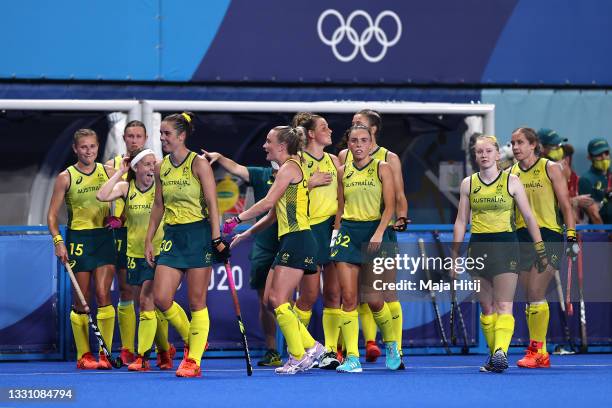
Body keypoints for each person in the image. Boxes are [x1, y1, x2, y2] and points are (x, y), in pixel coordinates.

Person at [225, 126, 325, 375]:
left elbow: (267, 202)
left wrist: (236, 219)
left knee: (279, 300)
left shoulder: (290, 167)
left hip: (298, 239)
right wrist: (246, 233)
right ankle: (312, 347)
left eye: (268, 141)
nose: (264, 145)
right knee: (272, 299)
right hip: (291, 239)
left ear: (281, 146)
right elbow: (272, 214)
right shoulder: (287, 169)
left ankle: (298, 355)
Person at [144, 112, 229, 378]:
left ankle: (193, 360)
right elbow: (158, 204)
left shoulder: (199, 164)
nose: (162, 138)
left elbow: (214, 204)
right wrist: (149, 238)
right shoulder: (161, 167)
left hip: (199, 235)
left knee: (196, 301)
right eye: (161, 134)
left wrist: (216, 238)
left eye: (167, 134)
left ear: (181, 136)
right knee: (160, 298)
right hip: (172, 237)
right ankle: (193, 339)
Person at [454, 135, 548, 373]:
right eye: (479, 152)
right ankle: (494, 354)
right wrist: (455, 254)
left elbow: (528, 217)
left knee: (504, 304)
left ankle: (501, 353)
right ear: (475, 157)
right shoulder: (468, 184)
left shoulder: (512, 181)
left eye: (488, 151)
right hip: (478, 247)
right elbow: (461, 220)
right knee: (487, 309)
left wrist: (540, 247)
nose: (483, 155)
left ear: (497, 155)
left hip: (506, 245)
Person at [97, 147, 179, 371]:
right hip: (134, 253)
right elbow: (101, 196)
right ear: (136, 168)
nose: (152, 168)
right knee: (146, 305)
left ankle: (143, 357)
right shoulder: (126, 187)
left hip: (160, 252)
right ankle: (164, 351)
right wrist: (119, 172)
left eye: (154, 163)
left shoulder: (161, 189)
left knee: (146, 302)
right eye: (147, 164)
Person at [338, 109, 409, 364]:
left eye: (362, 129)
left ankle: (393, 346)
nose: (358, 141)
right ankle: (353, 357)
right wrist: (335, 233)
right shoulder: (343, 162)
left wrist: (398, 220)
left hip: (379, 232)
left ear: (372, 134)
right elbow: (339, 203)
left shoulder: (386, 162)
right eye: (353, 132)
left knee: (378, 297)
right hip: (348, 233)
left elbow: (396, 199)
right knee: (349, 298)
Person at [201, 149, 282, 367]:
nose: (265, 146)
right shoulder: (261, 174)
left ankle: (303, 349)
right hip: (264, 245)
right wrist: (220, 158)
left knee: (286, 302)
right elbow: (237, 168)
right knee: (266, 302)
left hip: (290, 242)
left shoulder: (298, 172)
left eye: (269, 142)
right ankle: (273, 350)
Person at [47, 128, 117, 370]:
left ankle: (105, 353)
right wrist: (58, 241)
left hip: (104, 238)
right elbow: (52, 216)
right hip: (78, 240)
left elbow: (130, 197)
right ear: (76, 149)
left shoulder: (107, 172)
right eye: (84, 147)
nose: (89, 151)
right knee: (81, 299)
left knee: (103, 294)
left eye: (93, 146)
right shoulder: (65, 177)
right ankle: (84, 354)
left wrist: (118, 217)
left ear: (98, 147)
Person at [510, 127, 577, 368]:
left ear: (533, 145)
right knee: (530, 298)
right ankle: (541, 351)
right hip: (521, 237)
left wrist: (571, 235)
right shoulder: (511, 173)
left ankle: (536, 350)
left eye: (520, 143)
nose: (515, 147)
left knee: (536, 292)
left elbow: (566, 206)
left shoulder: (551, 168)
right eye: (512, 143)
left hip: (548, 236)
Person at [290, 112, 343, 369]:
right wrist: (309, 183)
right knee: (309, 295)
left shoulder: (334, 159)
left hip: (332, 230)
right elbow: (286, 193)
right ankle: (298, 349)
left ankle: (330, 351)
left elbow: (342, 196)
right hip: (307, 230)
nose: (330, 130)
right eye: (324, 127)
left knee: (334, 294)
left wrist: (339, 223)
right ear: (310, 134)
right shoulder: (297, 160)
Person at [103, 120, 149, 365]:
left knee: (150, 295)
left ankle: (156, 349)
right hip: (122, 236)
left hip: (148, 234)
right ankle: (127, 348)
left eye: (138, 136)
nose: (134, 140)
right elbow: (101, 195)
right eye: (129, 136)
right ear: (124, 138)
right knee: (125, 289)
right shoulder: (112, 166)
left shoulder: (153, 166)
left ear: (145, 138)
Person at [579, 138, 611, 224]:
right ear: (589, 157)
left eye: (606, 153)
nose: (604, 157)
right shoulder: (585, 180)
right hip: (602, 234)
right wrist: (603, 236)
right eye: (599, 154)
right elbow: (594, 215)